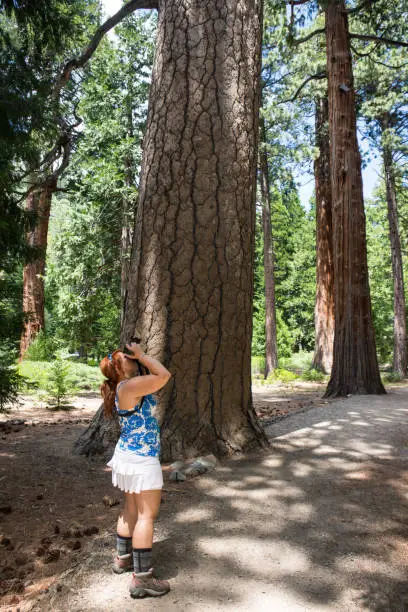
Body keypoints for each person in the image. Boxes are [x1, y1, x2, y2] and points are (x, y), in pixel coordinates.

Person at [99, 342, 172, 598]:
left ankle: (123, 558)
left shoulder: (122, 387)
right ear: (119, 366)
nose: (132, 359)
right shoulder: (129, 385)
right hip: (142, 459)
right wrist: (143, 355)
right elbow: (164, 376)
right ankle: (142, 580)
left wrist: (139, 358)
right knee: (146, 516)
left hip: (128, 456)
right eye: (127, 358)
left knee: (130, 508)